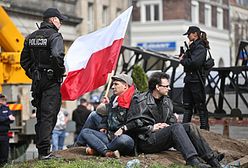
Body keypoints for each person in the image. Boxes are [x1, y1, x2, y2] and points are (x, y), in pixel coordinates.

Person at [125, 72, 222, 168]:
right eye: (166, 86)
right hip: (146, 140)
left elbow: (172, 122)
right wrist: (151, 128)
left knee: (190, 126)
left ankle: (212, 160)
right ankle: (192, 160)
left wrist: (168, 125)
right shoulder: (140, 101)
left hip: (161, 137)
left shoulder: (167, 101)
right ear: (157, 87)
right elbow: (131, 124)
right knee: (176, 127)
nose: (169, 88)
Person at [20, 8, 67, 159]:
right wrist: (58, 73)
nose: (61, 23)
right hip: (51, 82)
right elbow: (57, 56)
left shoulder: (30, 37)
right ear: (53, 20)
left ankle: (42, 150)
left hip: (37, 82)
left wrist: (34, 74)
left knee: (41, 115)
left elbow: (24, 61)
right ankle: (45, 152)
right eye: (60, 20)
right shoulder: (55, 36)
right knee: (49, 114)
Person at [78, 74, 136, 158]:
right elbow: (108, 115)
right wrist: (104, 126)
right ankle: (106, 152)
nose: (112, 87)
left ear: (125, 86)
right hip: (110, 136)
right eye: (112, 84)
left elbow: (135, 121)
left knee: (124, 140)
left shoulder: (135, 100)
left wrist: (123, 129)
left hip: (124, 137)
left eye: (116, 84)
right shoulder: (114, 98)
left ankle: (97, 149)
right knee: (85, 131)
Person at [179, 26, 210, 130]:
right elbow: (190, 61)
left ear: (195, 34)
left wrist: (182, 60)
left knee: (200, 106)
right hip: (190, 80)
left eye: (189, 34)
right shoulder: (193, 47)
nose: (188, 36)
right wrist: (184, 56)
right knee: (187, 106)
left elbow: (194, 63)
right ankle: (184, 129)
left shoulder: (200, 47)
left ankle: (204, 129)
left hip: (196, 80)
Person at [0, 94, 15, 165]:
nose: (3, 100)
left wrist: (6, 119)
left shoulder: (6, 108)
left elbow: (12, 119)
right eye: (2, 99)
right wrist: (7, 118)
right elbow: (7, 118)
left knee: (4, 152)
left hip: (5, 134)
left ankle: (4, 165)